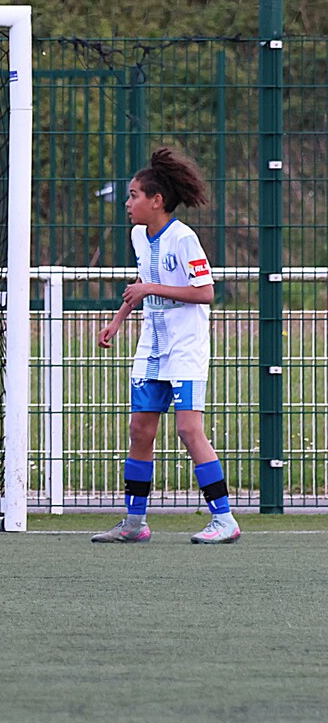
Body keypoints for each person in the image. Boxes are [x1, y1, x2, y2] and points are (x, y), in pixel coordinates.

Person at [93, 147, 237, 545]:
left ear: (156, 200)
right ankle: (134, 522)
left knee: (189, 430)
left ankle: (224, 519)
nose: (128, 203)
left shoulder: (184, 238)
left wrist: (150, 289)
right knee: (140, 430)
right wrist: (117, 321)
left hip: (185, 347)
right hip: (151, 347)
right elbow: (142, 285)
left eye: (134, 195)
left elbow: (206, 292)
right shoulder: (138, 235)